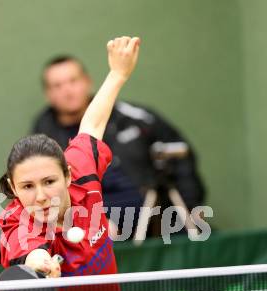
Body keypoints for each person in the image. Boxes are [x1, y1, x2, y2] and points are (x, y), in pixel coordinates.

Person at [0, 37, 201, 291]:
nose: (41, 195)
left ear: (69, 176)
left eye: (50, 181)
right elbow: (30, 254)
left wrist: (117, 73)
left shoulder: (84, 177)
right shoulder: (17, 219)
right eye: (28, 186)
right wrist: (41, 264)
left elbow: (92, 123)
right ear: (14, 189)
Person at [33, 54, 205, 238]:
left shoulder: (135, 118)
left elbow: (180, 154)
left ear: (88, 81)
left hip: (155, 217)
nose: (67, 91)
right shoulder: (42, 139)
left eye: (73, 81)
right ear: (48, 94)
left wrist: (189, 208)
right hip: (90, 223)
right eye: (57, 86)